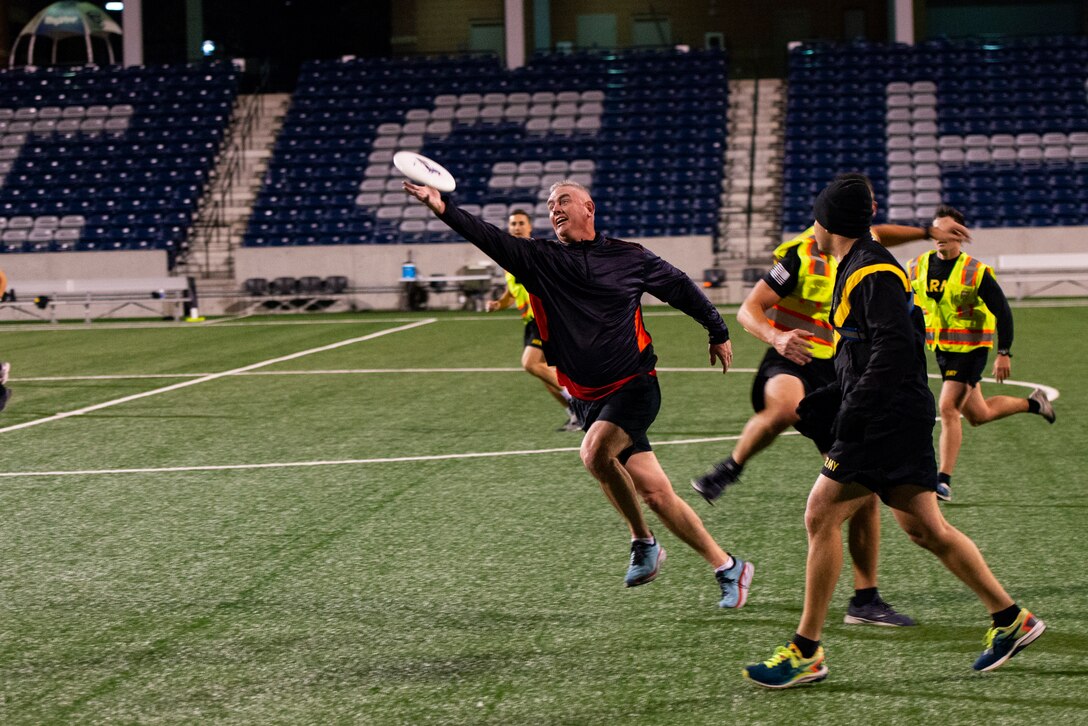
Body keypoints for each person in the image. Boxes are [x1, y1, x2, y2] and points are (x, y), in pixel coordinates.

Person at [743, 176, 1044, 689]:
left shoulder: (870, 271)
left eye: (815, 217)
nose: (810, 226)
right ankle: (1012, 618)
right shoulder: (860, 262)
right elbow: (865, 352)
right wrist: (830, 399)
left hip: (883, 419)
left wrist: (853, 411)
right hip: (896, 413)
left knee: (820, 513)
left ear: (828, 222)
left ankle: (807, 651)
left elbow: (894, 351)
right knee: (926, 528)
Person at [404, 178, 754, 608]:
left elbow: (680, 286)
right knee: (656, 493)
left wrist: (718, 331)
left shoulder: (629, 256)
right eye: (550, 204)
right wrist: (444, 206)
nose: (554, 208)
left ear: (589, 208)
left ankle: (643, 542)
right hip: (588, 396)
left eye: (563, 200)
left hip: (635, 384)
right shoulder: (538, 259)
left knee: (592, 454)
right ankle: (728, 567)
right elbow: (487, 236)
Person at [692, 177, 969, 626]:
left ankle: (864, 598)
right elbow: (748, 309)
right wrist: (776, 336)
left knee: (862, 492)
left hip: (841, 373)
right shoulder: (798, 255)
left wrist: (924, 232)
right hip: (794, 357)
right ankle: (731, 467)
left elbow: (886, 233)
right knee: (784, 410)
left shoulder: (862, 246)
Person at [907, 204, 1055, 502]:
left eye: (948, 231)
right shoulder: (916, 266)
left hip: (973, 349)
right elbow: (909, 307)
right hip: (943, 349)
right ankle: (1034, 404)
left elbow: (1004, 313)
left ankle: (943, 481)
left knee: (948, 407)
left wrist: (1004, 353)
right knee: (978, 414)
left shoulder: (976, 271)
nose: (940, 236)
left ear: (961, 235)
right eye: (936, 230)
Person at [487, 209, 582, 432]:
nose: (517, 227)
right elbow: (511, 293)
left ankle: (583, 401)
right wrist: (498, 304)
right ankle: (576, 415)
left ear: (529, 227)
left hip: (547, 317)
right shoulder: (506, 259)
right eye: (513, 224)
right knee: (546, 375)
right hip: (531, 323)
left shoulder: (536, 252)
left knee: (530, 364)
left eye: (521, 223)